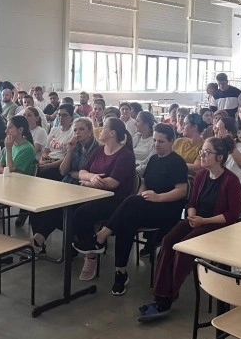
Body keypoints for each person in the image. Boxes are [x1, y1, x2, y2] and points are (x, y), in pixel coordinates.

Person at [73, 123, 188, 296]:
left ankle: (101, 237)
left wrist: (158, 197)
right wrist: (141, 195)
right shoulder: (154, 159)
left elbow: (182, 190)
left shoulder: (177, 162)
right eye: (154, 140)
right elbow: (144, 183)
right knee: (126, 222)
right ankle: (120, 272)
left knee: (130, 206)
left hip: (166, 208)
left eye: (161, 141)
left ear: (171, 141)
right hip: (148, 204)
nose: (156, 144)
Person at [137, 137, 241, 322]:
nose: (202, 155)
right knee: (168, 241)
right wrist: (192, 216)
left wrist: (204, 220)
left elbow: (232, 215)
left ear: (219, 157)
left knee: (184, 248)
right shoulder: (201, 176)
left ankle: (167, 298)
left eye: (207, 152)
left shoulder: (231, 180)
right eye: (202, 151)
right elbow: (192, 202)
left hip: (217, 226)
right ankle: (160, 293)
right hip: (197, 220)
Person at [75, 118, 137, 281]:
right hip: (92, 194)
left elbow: (112, 183)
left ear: (112, 133)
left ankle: (91, 255)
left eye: (104, 128)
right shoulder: (99, 150)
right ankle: (84, 246)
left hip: (115, 201)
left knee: (82, 213)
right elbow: (82, 171)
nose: (100, 130)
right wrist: (91, 177)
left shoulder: (125, 155)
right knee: (68, 209)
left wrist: (88, 183)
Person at [29, 117, 99, 252]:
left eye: (81, 129)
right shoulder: (75, 146)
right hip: (68, 185)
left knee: (58, 207)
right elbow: (63, 170)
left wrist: (75, 173)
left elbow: (89, 173)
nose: (77, 133)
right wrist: (70, 151)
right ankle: (42, 241)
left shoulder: (97, 149)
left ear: (90, 131)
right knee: (39, 205)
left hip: (86, 188)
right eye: (75, 130)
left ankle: (40, 238)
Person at [214, 117, 241, 217]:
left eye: (218, 129)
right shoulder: (217, 150)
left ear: (228, 133)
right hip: (222, 193)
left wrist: (231, 146)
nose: (215, 131)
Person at [38, 103, 75, 180]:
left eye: (64, 115)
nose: (61, 118)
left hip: (59, 164)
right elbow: (46, 150)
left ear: (71, 117)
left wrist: (49, 165)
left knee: (43, 173)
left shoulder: (73, 133)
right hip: (48, 160)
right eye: (59, 115)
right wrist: (42, 160)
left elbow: (67, 157)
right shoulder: (54, 130)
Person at [133, 111, 156, 175]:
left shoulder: (154, 141)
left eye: (138, 121)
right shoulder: (136, 137)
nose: (135, 123)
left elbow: (150, 163)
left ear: (146, 124)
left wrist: (133, 170)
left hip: (141, 173)